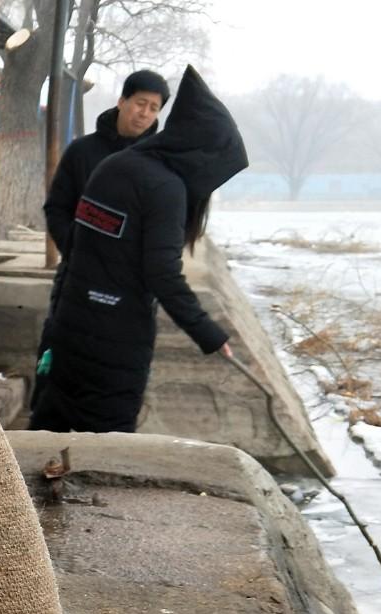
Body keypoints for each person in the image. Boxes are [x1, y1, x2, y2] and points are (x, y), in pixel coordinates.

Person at [30, 65, 247, 434]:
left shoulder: (117, 165)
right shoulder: (164, 188)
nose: (146, 113)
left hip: (71, 319)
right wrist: (209, 334)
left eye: (154, 107)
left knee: (52, 421)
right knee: (105, 442)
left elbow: (89, 241)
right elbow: (161, 273)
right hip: (115, 339)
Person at [42, 69, 170, 265]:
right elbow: (57, 207)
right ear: (122, 102)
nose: (144, 114)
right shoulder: (81, 151)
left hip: (134, 278)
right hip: (80, 273)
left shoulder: (160, 161)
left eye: (153, 108)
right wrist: (73, 250)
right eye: (140, 103)